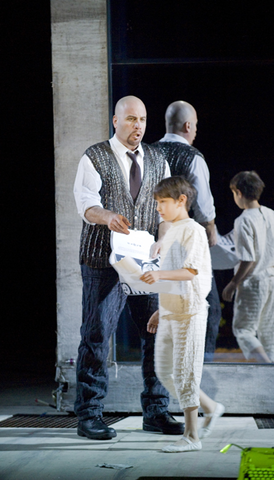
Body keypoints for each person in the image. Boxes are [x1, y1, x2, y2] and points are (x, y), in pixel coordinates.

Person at [73, 95, 184, 440]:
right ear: (115, 121)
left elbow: (166, 212)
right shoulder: (94, 157)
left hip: (145, 263)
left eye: (143, 120)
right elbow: (87, 204)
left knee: (158, 334)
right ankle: (89, 416)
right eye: (132, 119)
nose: (138, 126)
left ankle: (156, 412)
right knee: (96, 337)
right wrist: (107, 217)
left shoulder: (157, 159)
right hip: (102, 262)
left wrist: (163, 242)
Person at [141, 177, 225, 453]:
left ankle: (192, 436)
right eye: (157, 203)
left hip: (189, 312)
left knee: (185, 373)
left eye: (163, 202)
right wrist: (159, 310)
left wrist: (158, 274)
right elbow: (172, 278)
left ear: (181, 200)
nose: (158, 208)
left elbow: (190, 272)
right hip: (170, 311)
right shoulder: (173, 230)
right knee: (165, 372)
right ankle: (211, 408)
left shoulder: (194, 231)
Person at [153, 101, 221, 362]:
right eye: (195, 127)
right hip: (184, 245)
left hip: (152, 243)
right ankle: (200, 375)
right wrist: (211, 231)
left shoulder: (148, 153)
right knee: (207, 309)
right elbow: (203, 206)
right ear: (188, 126)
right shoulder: (193, 157)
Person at [222, 171, 274, 363]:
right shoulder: (272, 214)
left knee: (243, 330)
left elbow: (248, 258)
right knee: (269, 332)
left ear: (238, 193)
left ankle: (266, 369)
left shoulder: (244, 220)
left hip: (253, 281)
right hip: (273, 279)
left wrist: (233, 283)